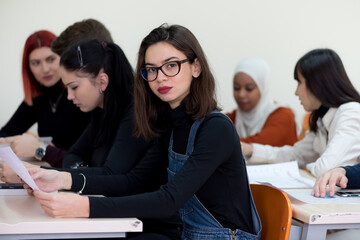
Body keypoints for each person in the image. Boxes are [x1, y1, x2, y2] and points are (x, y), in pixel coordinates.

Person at [27, 24, 261, 240]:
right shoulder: (170, 123)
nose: (160, 77)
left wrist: (84, 206)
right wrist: (60, 178)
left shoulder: (216, 128)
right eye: (151, 70)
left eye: (171, 66)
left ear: (196, 67)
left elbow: (169, 200)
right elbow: (133, 181)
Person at [241, 48, 360, 177]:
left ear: (317, 83)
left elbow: (325, 169)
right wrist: (251, 150)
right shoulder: (322, 118)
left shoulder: (351, 112)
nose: (296, 92)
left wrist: (308, 167)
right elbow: (297, 155)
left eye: (299, 83)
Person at [0, 30, 90, 167]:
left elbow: (89, 159)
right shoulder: (37, 99)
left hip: (80, 176)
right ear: (28, 68)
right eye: (36, 63)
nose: (45, 69)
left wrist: (42, 149)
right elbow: (4, 135)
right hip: (55, 176)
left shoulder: (81, 95)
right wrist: (20, 142)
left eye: (51, 59)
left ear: (63, 57)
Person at [226, 58, 298, 146]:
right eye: (236, 88)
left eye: (249, 89)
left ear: (262, 88)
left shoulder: (283, 115)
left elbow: (260, 143)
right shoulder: (232, 118)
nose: (241, 94)